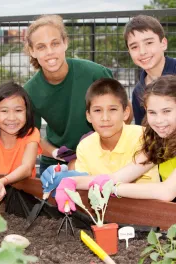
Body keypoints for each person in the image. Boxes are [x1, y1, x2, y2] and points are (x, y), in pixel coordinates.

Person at [55, 75, 176, 213]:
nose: (159, 120)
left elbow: (166, 191)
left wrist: (112, 189)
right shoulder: (159, 142)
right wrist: (71, 181)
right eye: (152, 112)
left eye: (167, 111)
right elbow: (118, 177)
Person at [23, 14, 113, 174]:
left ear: (65, 43)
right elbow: (31, 137)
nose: (50, 52)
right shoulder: (30, 91)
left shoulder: (95, 73)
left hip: (101, 158)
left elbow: (124, 114)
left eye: (55, 43)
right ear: (32, 51)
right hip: (56, 163)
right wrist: (57, 153)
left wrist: (98, 141)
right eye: (41, 47)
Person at [74, 78, 159, 182]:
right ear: (88, 116)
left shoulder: (143, 137)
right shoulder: (84, 147)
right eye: (97, 110)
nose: (105, 118)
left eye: (113, 109)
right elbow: (82, 187)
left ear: (125, 113)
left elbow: (146, 190)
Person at [0, 82, 42, 205]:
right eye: (4, 111)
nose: (11, 118)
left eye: (18, 110)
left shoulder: (31, 133)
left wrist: (2, 182)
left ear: (26, 112)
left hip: (25, 197)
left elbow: (27, 168)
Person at [124, 15, 176, 125]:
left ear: (163, 43)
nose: (142, 51)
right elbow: (144, 132)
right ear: (129, 52)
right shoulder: (138, 92)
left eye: (149, 43)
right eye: (134, 47)